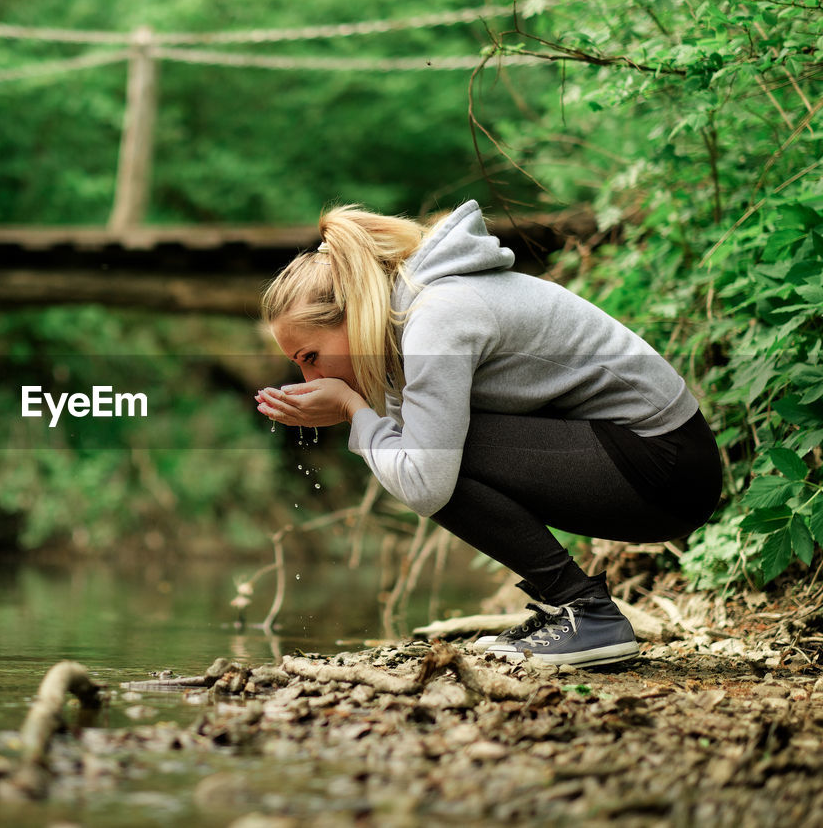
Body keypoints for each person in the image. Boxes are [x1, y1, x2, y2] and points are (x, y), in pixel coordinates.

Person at [255, 200, 721, 668]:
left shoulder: (437, 315)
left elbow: (423, 481)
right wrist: (362, 412)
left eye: (311, 356)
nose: (309, 379)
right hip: (645, 461)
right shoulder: (412, 317)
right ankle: (568, 609)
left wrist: (353, 409)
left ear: (354, 313)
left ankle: (586, 612)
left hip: (668, 466)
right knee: (425, 441)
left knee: (433, 452)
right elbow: (403, 439)